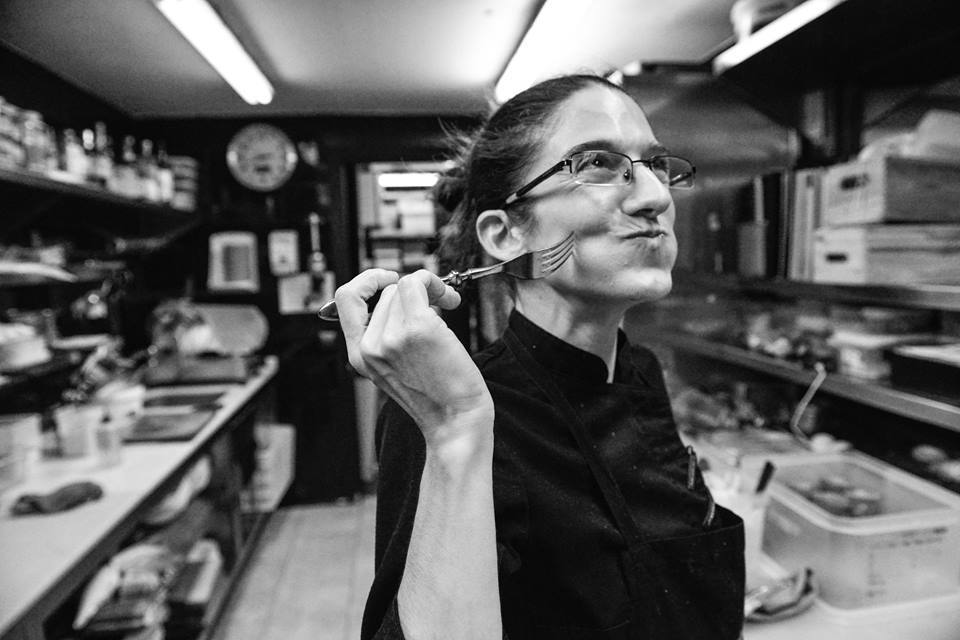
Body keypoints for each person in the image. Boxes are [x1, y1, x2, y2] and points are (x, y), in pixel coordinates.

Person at [335, 74, 745, 640]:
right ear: (505, 235)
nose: (655, 196)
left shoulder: (640, 372)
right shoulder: (443, 412)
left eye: (656, 165)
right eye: (597, 163)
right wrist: (456, 432)